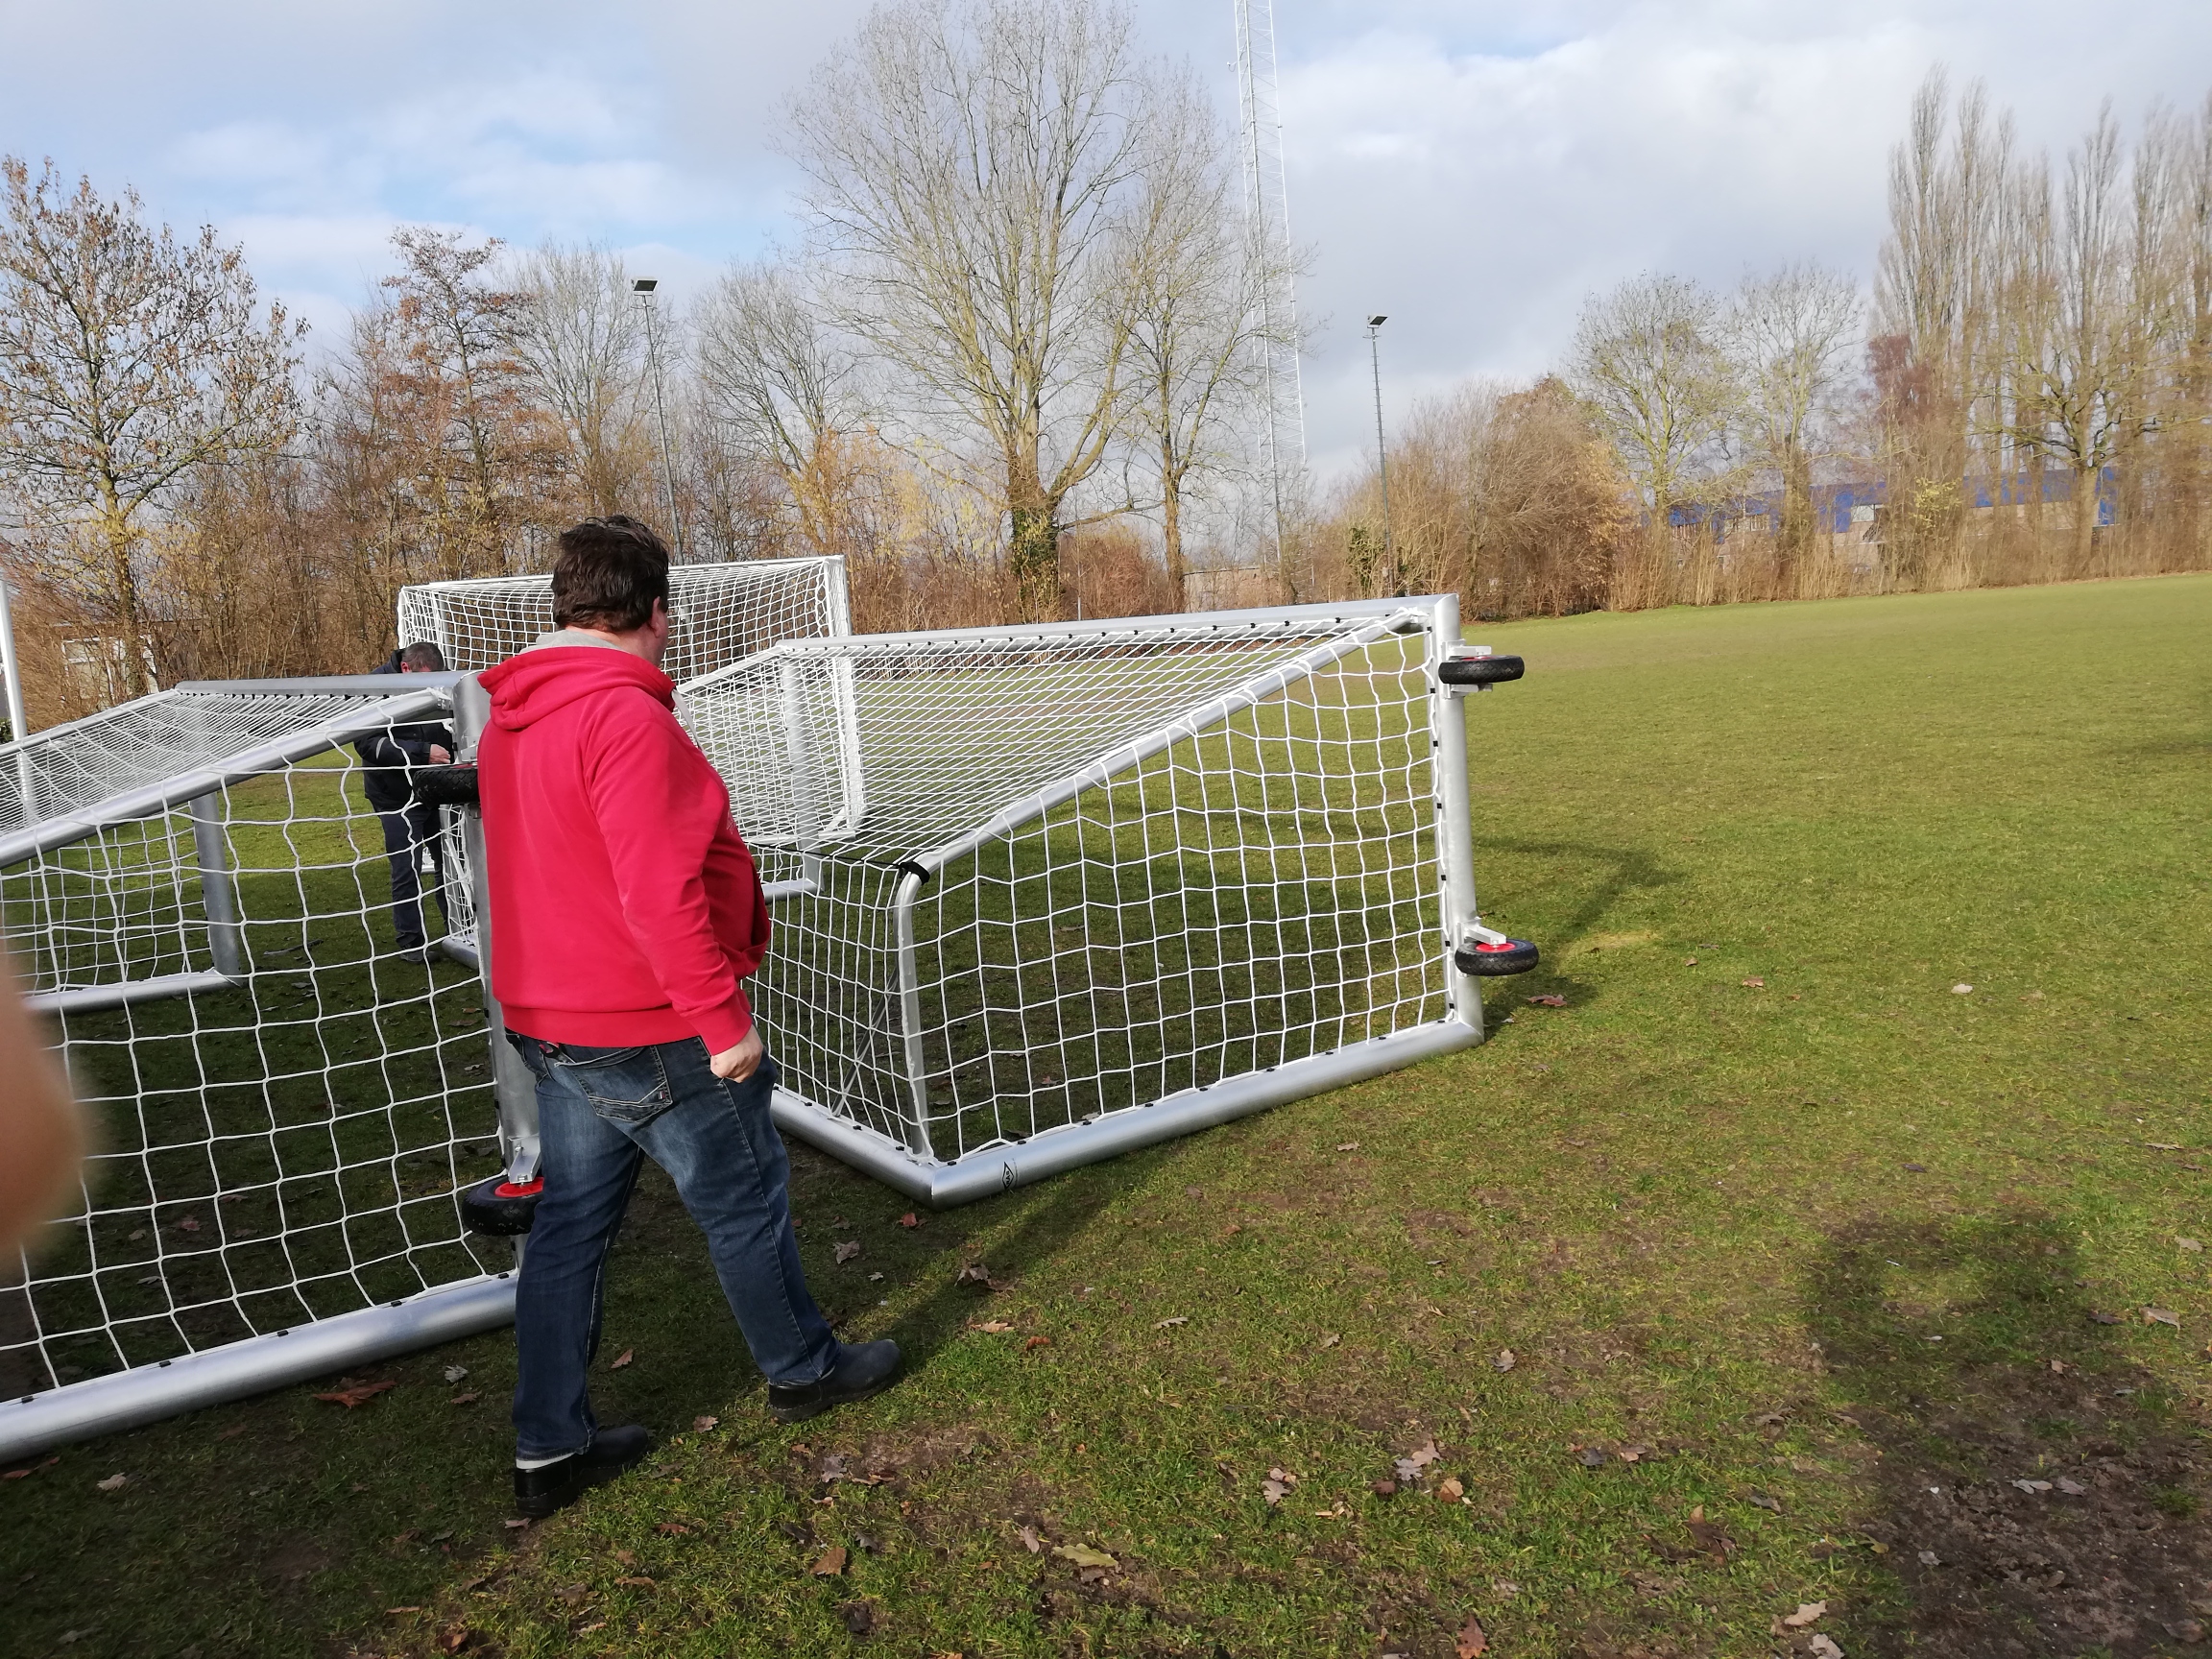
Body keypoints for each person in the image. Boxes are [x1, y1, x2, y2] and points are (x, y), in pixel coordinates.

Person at [477, 515, 901, 1521]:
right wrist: (723, 1025)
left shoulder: (513, 718)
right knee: (743, 1199)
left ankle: (549, 1444)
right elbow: (655, 890)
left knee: (572, 1229)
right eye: (670, 615)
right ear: (656, 611)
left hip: (553, 1018)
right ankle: (802, 1369)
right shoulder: (624, 718)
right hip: (646, 1021)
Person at [357, 642, 456, 963]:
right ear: (405, 669)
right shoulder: (372, 689)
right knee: (407, 869)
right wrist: (421, 751)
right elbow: (366, 744)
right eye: (425, 680)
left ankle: (461, 928)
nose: (430, 687)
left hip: (439, 790)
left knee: (453, 863)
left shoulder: (438, 682)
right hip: (395, 797)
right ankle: (411, 942)